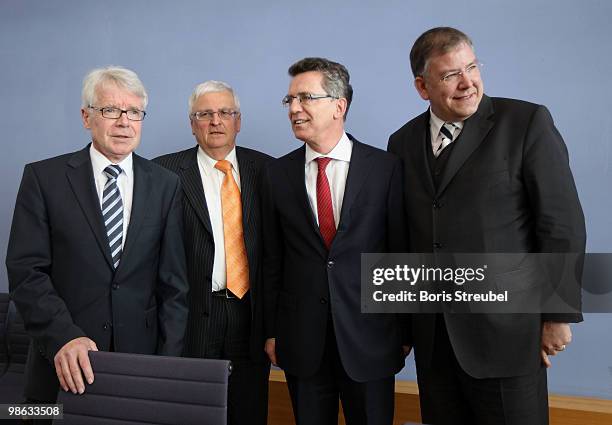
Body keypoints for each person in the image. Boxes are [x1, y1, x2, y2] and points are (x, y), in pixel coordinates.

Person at [387, 27, 586, 425]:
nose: (467, 83)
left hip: (508, 337)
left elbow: (561, 224)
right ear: (422, 87)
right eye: (450, 75)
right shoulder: (401, 143)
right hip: (435, 344)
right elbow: (402, 238)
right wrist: (401, 323)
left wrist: (558, 315)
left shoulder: (527, 122)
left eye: (472, 67)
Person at [5, 66, 189, 406]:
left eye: (134, 112)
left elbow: (174, 286)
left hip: (140, 367)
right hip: (61, 362)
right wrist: (63, 336)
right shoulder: (44, 179)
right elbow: (25, 272)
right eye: (110, 110)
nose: (124, 122)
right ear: (86, 116)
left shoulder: (166, 185)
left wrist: (167, 365)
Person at [262, 57, 409, 425]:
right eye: (290, 100)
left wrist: (405, 332)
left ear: (339, 105)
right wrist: (272, 331)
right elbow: (271, 260)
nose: (295, 109)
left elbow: (400, 253)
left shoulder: (386, 168)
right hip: (301, 344)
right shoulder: (277, 174)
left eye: (305, 98)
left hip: (371, 341)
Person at [154, 80, 271, 425]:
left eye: (225, 113)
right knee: (188, 413)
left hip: (249, 319)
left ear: (239, 121)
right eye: (205, 114)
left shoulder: (269, 171)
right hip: (189, 319)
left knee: (248, 412)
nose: (215, 121)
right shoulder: (163, 173)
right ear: (192, 124)